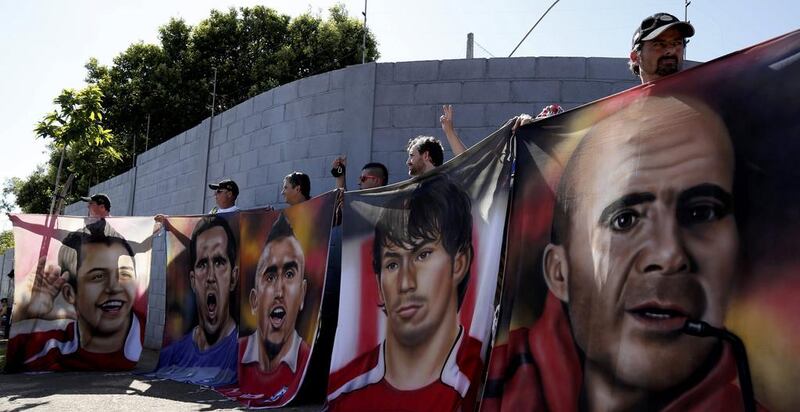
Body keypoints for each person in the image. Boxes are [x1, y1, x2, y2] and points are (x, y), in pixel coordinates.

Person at [497, 96, 758, 411]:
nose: (668, 255)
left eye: (700, 213)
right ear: (559, 271)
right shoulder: (496, 382)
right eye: (625, 220)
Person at [327, 175, 483, 411]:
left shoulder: (487, 374)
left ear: (459, 263)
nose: (406, 282)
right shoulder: (344, 390)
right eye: (392, 264)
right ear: (379, 285)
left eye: (423, 255)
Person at [7, 219, 143, 371]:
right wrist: (25, 312)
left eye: (125, 274)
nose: (114, 287)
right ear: (69, 293)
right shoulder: (46, 344)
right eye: (98, 276)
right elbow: (13, 363)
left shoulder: (150, 338)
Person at [220, 213, 310, 407]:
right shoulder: (237, 352)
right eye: (269, 277)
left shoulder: (308, 359)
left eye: (289, 274)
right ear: (254, 301)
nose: (279, 291)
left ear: (302, 295)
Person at [152, 216, 239, 385]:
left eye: (219, 262)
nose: (211, 277)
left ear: (233, 277)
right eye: (202, 264)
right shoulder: (173, 356)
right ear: (192, 280)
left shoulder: (246, 353)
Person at [629, 12, 695, 84]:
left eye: (676, 43)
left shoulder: (704, 92)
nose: (670, 50)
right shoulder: (626, 95)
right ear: (635, 57)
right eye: (659, 44)